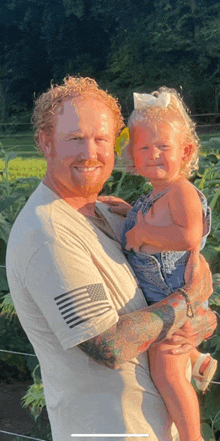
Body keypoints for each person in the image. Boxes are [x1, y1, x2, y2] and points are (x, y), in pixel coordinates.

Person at [6, 77, 216, 441]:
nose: (91, 152)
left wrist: (201, 318)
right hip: (107, 432)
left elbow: (179, 277)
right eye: (75, 139)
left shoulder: (111, 214)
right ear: (44, 142)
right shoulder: (47, 234)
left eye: (101, 139)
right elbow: (109, 345)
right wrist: (188, 300)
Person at [99, 88, 217, 441]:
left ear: (185, 152)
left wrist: (142, 231)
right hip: (163, 296)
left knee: (166, 371)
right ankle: (198, 359)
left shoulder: (180, 191)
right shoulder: (153, 194)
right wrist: (128, 210)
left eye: (163, 147)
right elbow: (153, 217)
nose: (153, 155)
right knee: (170, 362)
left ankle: (192, 436)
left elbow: (189, 237)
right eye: (144, 148)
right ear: (132, 156)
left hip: (177, 292)